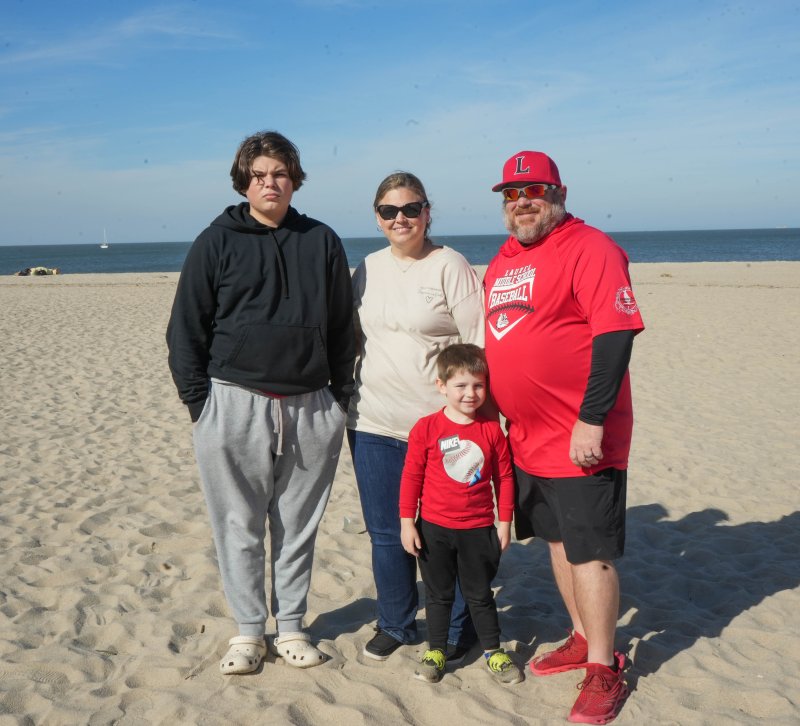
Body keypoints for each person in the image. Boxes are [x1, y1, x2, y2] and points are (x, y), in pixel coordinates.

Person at [166, 130, 355, 675]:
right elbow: (186, 329)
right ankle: (249, 632)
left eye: (279, 173)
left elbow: (344, 326)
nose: (269, 183)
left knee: (298, 524)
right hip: (232, 401)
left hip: (313, 404)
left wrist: (338, 396)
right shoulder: (216, 240)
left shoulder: (321, 239)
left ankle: (291, 625)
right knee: (238, 525)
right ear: (243, 182)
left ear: (294, 179)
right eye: (259, 175)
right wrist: (200, 405)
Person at [483, 151, 644, 723]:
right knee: (555, 542)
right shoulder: (503, 260)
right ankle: (580, 637)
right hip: (526, 436)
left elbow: (615, 337)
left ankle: (604, 667)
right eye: (510, 194)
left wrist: (592, 418)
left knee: (591, 552)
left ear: (560, 192)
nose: (521, 201)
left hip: (582, 437)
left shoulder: (591, 248)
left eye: (534, 190)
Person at [347, 172, 484, 662]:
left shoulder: (450, 265)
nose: (400, 218)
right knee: (387, 534)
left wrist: (474, 417)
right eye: (389, 211)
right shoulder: (366, 267)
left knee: (447, 536)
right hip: (372, 424)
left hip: (439, 430)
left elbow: (478, 347)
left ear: (428, 212)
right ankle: (396, 624)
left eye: (411, 208)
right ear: (378, 218)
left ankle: (457, 627)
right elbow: (355, 343)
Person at [399, 344, 522, 685]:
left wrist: (505, 522)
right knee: (438, 594)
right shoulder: (426, 428)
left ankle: (494, 652)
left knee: (479, 595)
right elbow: (411, 476)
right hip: (434, 528)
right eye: (461, 386)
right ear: (442, 386)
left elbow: (505, 477)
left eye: (479, 385)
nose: (471, 393)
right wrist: (407, 522)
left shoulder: (491, 429)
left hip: (479, 529)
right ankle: (436, 651)